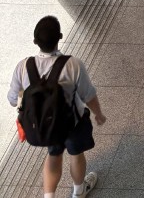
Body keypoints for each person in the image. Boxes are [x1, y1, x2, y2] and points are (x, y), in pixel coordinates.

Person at [8, 16, 106, 198]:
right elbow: (88, 95)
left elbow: (13, 100)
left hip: (44, 126)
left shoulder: (23, 67)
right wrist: (98, 114)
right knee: (76, 154)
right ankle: (78, 191)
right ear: (60, 37)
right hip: (73, 123)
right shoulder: (73, 65)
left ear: (35, 41)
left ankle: (49, 196)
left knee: (53, 155)